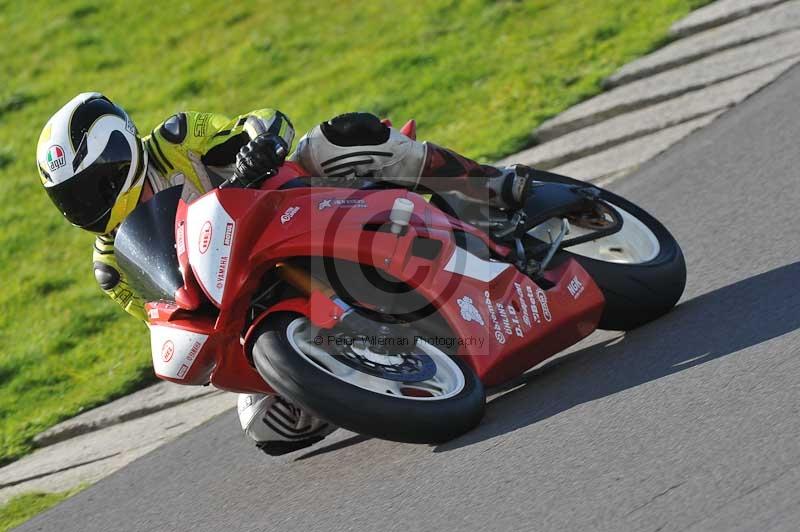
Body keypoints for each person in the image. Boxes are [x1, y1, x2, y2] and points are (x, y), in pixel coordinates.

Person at [36, 92, 534, 455]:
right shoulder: (111, 266)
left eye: (92, 186)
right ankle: (374, 370)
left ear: (119, 154)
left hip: (291, 212)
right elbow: (170, 314)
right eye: (71, 199)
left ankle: (490, 186)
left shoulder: (177, 139)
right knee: (271, 424)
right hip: (250, 301)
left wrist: (259, 146)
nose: (87, 205)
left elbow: (259, 123)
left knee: (338, 139)